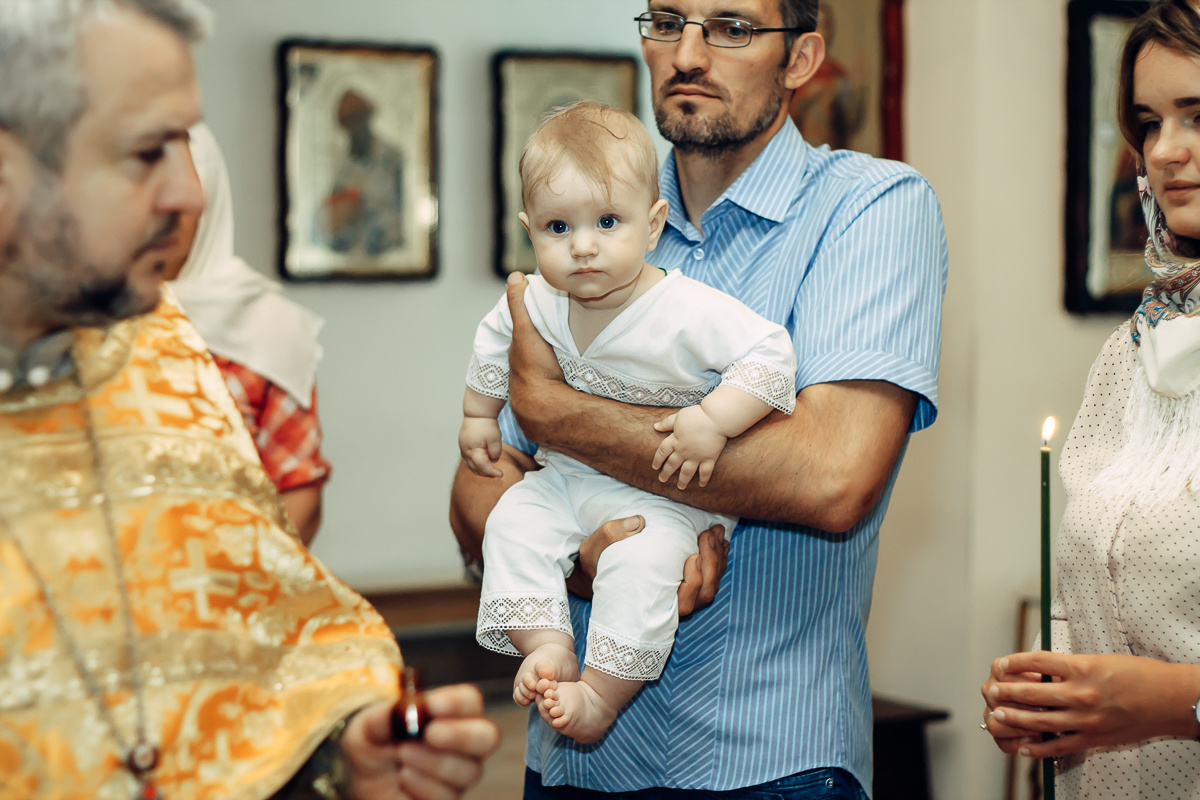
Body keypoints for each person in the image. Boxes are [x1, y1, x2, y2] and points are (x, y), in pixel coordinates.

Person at [0, 2, 498, 799]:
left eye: (189, 145)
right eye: (146, 152)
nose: (191, 195)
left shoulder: (165, 352)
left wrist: (335, 763)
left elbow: (251, 646)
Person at [449, 0, 947, 796]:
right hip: (573, 761)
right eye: (667, 20)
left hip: (768, 755)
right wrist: (587, 556)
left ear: (802, 57)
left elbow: (832, 477)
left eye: (732, 27)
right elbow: (477, 490)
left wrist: (562, 415)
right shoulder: (587, 222)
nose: (687, 53)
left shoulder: (870, 208)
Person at [461, 101, 797, 744]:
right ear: (530, 230)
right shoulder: (535, 300)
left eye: (607, 222)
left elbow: (770, 354)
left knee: (640, 568)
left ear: (652, 224)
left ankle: (602, 696)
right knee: (513, 521)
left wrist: (713, 421)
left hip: (665, 499)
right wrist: (479, 414)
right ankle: (548, 646)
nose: (583, 246)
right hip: (565, 478)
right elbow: (490, 340)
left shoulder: (687, 307)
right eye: (559, 227)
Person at [982, 1, 1200, 796]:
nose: (1164, 152)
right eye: (1147, 123)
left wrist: (1176, 701)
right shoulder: (1130, 351)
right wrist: (1046, 692)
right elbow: (1088, 585)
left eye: (1196, 115)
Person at [164, 122, 330, 546]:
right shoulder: (75, 313)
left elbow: (298, 494)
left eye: (177, 208)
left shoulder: (266, 327)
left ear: (208, 200)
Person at [315, 88, 406, 257]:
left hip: (384, 248)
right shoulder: (342, 162)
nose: (354, 132)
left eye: (357, 123)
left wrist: (364, 207)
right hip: (349, 249)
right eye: (349, 127)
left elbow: (400, 211)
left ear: (367, 120)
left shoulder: (392, 157)